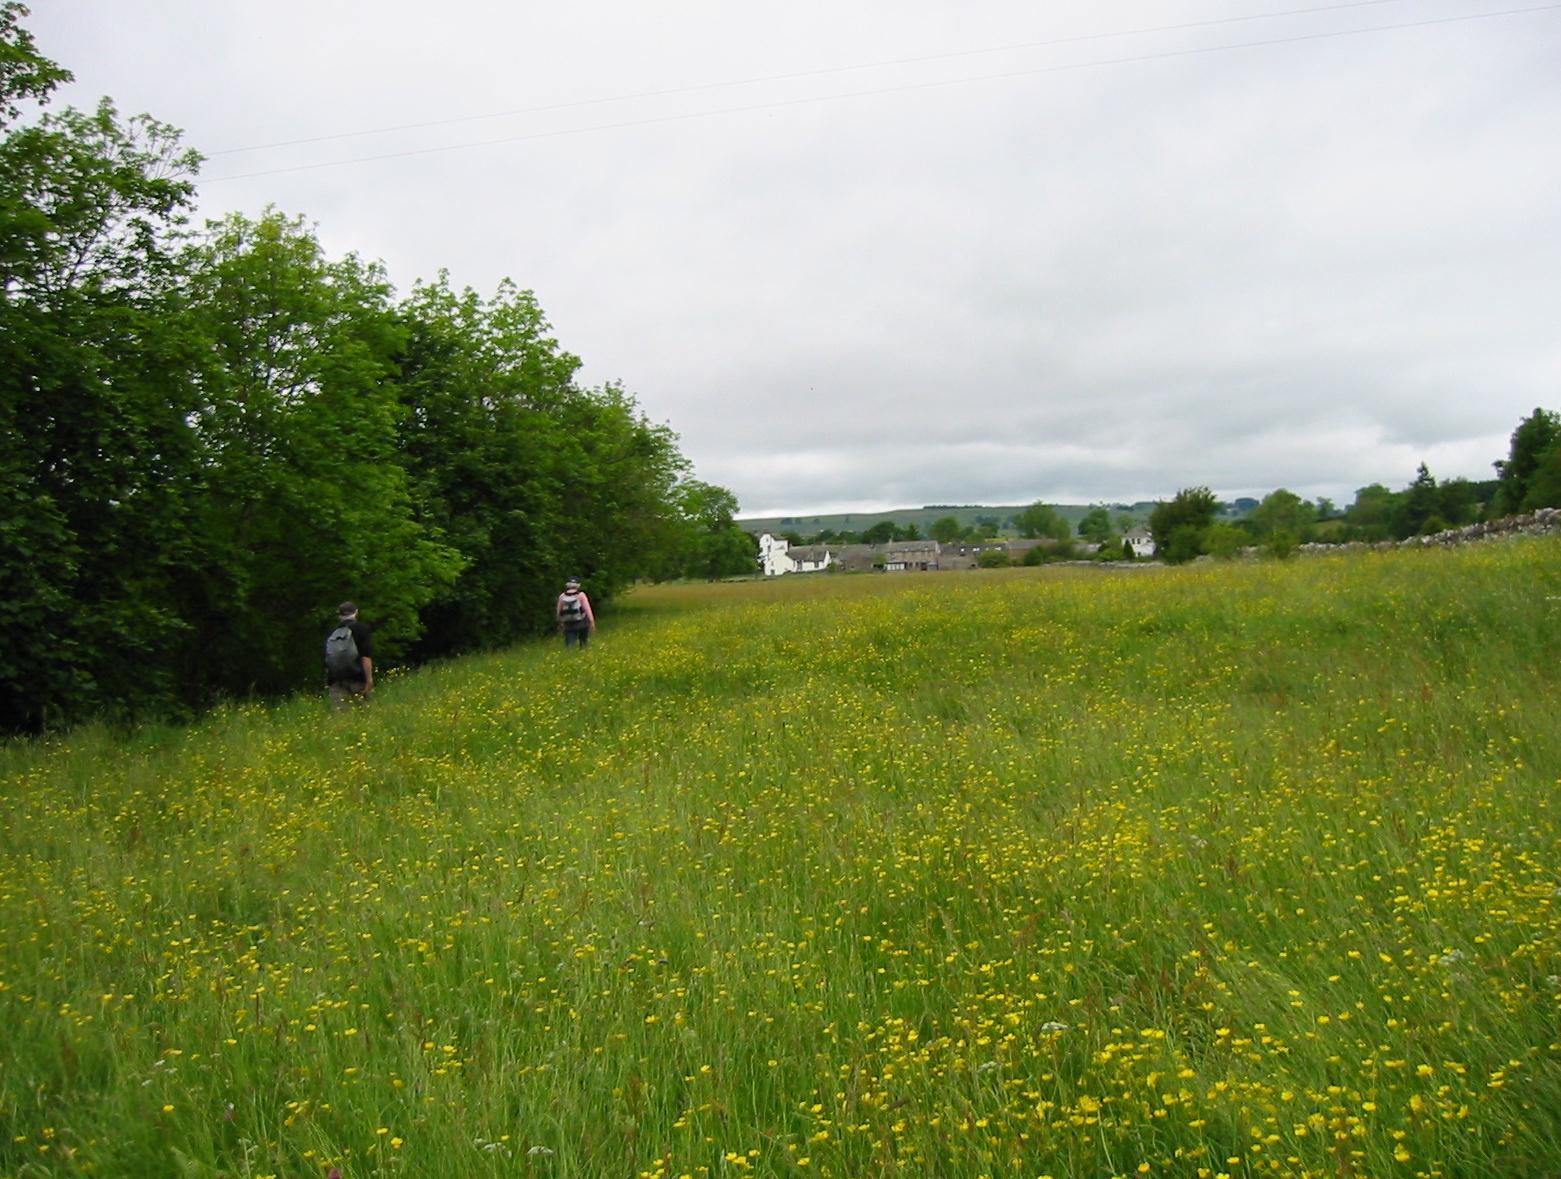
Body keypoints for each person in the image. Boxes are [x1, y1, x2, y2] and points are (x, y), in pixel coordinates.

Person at [324, 601, 374, 709]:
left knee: (342, 719)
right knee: (365, 716)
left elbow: (328, 658)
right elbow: (365, 656)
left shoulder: (331, 632)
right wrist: (369, 679)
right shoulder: (362, 629)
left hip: (336, 681)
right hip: (358, 678)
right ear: (356, 613)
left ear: (339, 615)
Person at [555, 577, 595, 649]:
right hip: (582, 623)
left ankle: (569, 656)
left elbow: (559, 611)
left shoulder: (562, 596)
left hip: (568, 623)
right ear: (577, 585)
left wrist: (560, 622)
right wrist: (591, 622)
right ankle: (583, 652)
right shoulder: (581, 595)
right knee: (583, 643)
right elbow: (587, 609)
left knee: (570, 644)